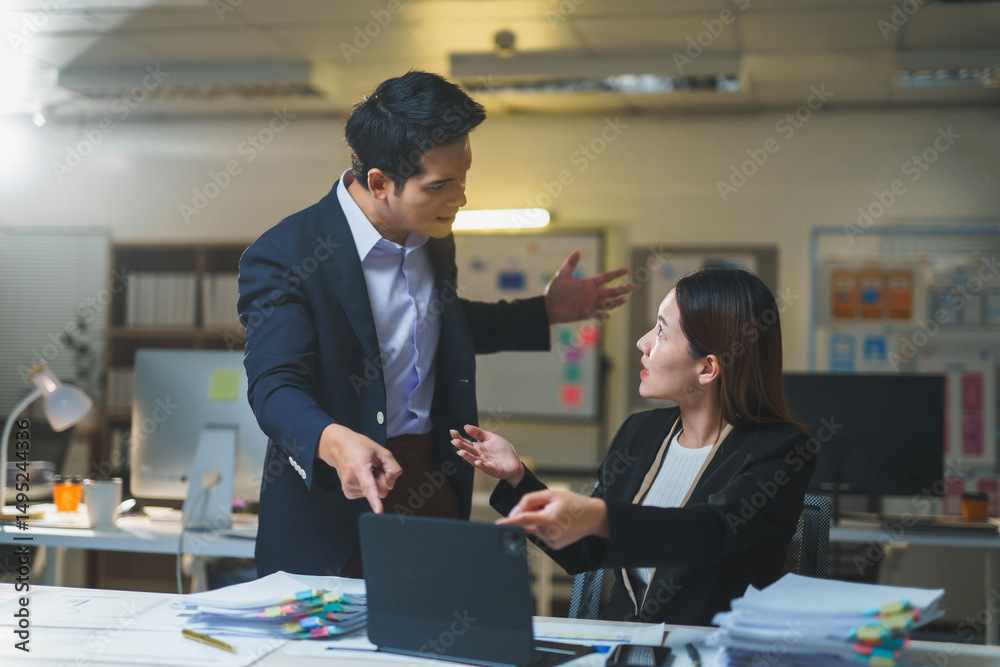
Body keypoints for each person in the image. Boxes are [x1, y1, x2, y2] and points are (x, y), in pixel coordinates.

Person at [238, 71, 632, 578]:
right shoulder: (284, 254)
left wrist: (545, 311)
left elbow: (436, 326)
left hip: (429, 481)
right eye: (441, 185)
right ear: (379, 182)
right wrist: (334, 441)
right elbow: (274, 385)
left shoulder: (433, 236)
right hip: (335, 503)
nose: (460, 198)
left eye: (463, 177)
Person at [451, 267, 815, 625]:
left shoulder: (782, 450)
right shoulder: (640, 433)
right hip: (621, 649)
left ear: (707, 368)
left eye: (660, 331)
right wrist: (517, 480)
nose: (642, 343)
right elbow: (585, 552)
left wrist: (599, 516)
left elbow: (709, 531)